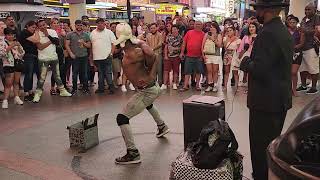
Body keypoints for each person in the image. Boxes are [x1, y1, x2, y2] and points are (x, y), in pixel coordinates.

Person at [239, 0, 293, 179]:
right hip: (277, 100)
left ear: (266, 10)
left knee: (260, 149)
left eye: (258, 10)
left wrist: (245, 62)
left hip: (265, 103)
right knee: (270, 147)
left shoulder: (268, 33)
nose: (256, 14)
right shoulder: (282, 30)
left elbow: (261, 69)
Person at [113, 23, 169, 164]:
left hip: (147, 90)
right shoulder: (138, 46)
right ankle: (162, 126)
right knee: (148, 105)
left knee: (122, 118)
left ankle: (133, 153)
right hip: (151, 88)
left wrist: (150, 75)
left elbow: (153, 55)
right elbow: (152, 54)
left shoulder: (133, 53)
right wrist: (151, 75)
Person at [33, 19, 71, 103]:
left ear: (46, 24)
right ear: (38, 27)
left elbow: (57, 42)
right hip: (43, 58)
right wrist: (51, 41)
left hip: (54, 57)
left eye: (44, 24)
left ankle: (62, 91)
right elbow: (40, 47)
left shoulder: (52, 31)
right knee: (42, 78)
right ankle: (38, 94)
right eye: (40, 26)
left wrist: (48, 36)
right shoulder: (36, 34)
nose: (43, 27)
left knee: (57, 76)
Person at [296, 3, 320, 94]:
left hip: (311, 46)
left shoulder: (317, 18)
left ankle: (314, 87)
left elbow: (318, 31)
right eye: (306, 9)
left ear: (314, 10)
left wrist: (305, 31)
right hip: (302, 47)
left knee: (313, 68)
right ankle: (303, 85)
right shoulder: (303, 19)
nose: (306, 11)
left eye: (309, 9)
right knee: (303, 68)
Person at [0, 28, 25, 109]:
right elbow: (2, 53)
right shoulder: (2, 43)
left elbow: (22, 53)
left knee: (16, 82)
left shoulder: (16, 42)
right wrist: (11, 46)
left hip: (17, 63)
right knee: (8, 84)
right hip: (8, 64)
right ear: (5, 35)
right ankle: (5, 100)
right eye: (9, 35)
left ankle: (16, 98)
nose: (11, 36)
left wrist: (19, 47)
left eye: (12, 35)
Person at [90, 18, 116, 94]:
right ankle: (101, 88)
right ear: (96, 24)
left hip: (107, 56)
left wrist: (111, 53)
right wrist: (91, 56)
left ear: (104, 24)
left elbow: (113, 43)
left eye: (102, 23)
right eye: (99, 23)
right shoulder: (92, 33)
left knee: (108, 73)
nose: (100, 24)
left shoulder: (109, 32)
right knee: (100, 73)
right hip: (97, 57)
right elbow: (91, 45)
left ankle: (111, 88)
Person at [65, 20, 91, 95]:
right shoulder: (70, 34)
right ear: (75, 25)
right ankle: (74, 89)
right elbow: (67, 45)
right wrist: (70, 53)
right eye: (78, 25)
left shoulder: (86, 35)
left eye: (81, 25)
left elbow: (89, 46)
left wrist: (83, 43)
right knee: (74, 73)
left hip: (84, 56)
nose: (79, 27)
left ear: (82, 26)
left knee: (85, 73)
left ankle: (85, 88)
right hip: (74, 57)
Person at [179, 21, 205, 91]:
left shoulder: (203, 34)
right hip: (189, 56)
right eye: (196, 24)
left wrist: (203, 56)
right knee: (187, 71)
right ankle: (185, 85)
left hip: (199, 56)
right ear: (194, 25)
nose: (198, 25)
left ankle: (197, 85)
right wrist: (182, 52)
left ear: (202, 26)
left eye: (199, 24)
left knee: (198, 72)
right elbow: (184, 43)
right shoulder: (189, 32)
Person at [19, 21, 39, 101]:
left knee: (31, 74)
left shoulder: (30, 33)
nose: (34, 29)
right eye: (33, 27)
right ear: (27, 26)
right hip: (27, 56)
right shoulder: (24, 32)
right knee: (28, 74)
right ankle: (26, 92)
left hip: (33, 56)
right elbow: (37, 40)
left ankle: (30, 91)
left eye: (35, 27)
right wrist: (37, 31)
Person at [202, 23, 222, 92]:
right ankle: (210, 85)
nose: (211, 28)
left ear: (216, 28)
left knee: (215, 71)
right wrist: (203, 55)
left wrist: (213, 39)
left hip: (216, 55)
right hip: (207, 54)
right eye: (210, 27)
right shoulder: (207, 34)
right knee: (209, 70)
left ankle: (215, 85)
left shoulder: (219, 35)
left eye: (213, 27)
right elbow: (203, 45)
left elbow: (219, 45)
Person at [287, 16, 305, 96]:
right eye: (290, 22)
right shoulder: (285, 31)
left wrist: (293, 47)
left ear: (297, 23)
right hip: (287, 54)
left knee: (294, 72)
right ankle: (288, 89)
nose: (292, 24)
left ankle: (294, 89)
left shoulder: (300, 31)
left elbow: (302, 43)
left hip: (297, 54)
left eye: (294, 22)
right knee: (287, 73)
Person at [237, 22, 259, 87]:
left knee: (252, 71)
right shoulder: (245, 37)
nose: (251, 28)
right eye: (250, 27)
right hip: (246, 54)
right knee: (245, 70)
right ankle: (245, 82)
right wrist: (239, 55)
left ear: (256, 28)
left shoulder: (258, 36)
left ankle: (251, 85)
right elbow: (241, 47)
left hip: (254, 55)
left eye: (253, 27)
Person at [162, 25, 183, 90]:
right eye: (172, 29)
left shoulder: (181, 38)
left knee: (176, 71)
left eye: (175, 29)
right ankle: (165, 84)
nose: (173, 30)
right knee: (166, 70)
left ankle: (174, 83)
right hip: (168, 56)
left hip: (176, 56)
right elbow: (166, 46)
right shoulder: (168, 37)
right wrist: (165, 55)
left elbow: (182, 46)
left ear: (178, 30)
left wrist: (181, 54)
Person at [223, 25, 241, 90]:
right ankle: (225, 86)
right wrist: (228, 39)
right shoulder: (225, 38)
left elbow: (239, 49)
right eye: (228, 31)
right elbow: (225, 47)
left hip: (234, 55)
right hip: (227, 55)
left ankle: (236, 86)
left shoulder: (238, 39)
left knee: (235, 72)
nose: (229, 32)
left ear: (234, 31)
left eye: (230, 30)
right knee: (226, 71)